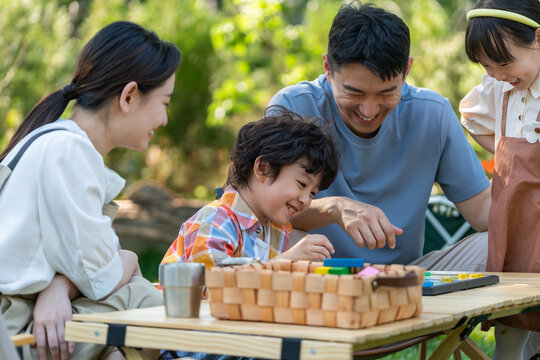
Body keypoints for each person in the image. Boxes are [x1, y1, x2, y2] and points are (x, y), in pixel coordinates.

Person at [0, 21, 181, 360]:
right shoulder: (69, 151)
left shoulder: (55, 140)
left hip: (22, 321)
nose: (164, 120)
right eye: (164, 103)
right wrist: (127, 258)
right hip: (15, 332)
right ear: (128, 97)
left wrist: (58, 287)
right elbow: (103, 275)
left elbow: (86, 268)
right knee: (145, 300)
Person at [268, 2, 492, 270]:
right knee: (277, 234)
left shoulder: (433, 114)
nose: (369, 110)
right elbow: (259, 207)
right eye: (354, 93)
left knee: (498, 243)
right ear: (328, 68)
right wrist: (334, 208)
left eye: (386, 93)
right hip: (314, 272)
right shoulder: (293, 107)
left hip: (405, 277)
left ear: (406, 71)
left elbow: (484, 213)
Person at [161, 106, 338, 270]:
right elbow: (214, 286)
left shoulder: (277, 230)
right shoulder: (215, 222)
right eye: (302, 184)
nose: (305, 200)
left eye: (313, 193)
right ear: (264, 168)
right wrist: (285, 261)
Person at [460, 1, 540, 358]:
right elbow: (471, 118)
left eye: (503, 62)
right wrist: (508, 150)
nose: (494, 73)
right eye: (485, 65)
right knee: (513, 312)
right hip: (516, 220)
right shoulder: (498, 90)